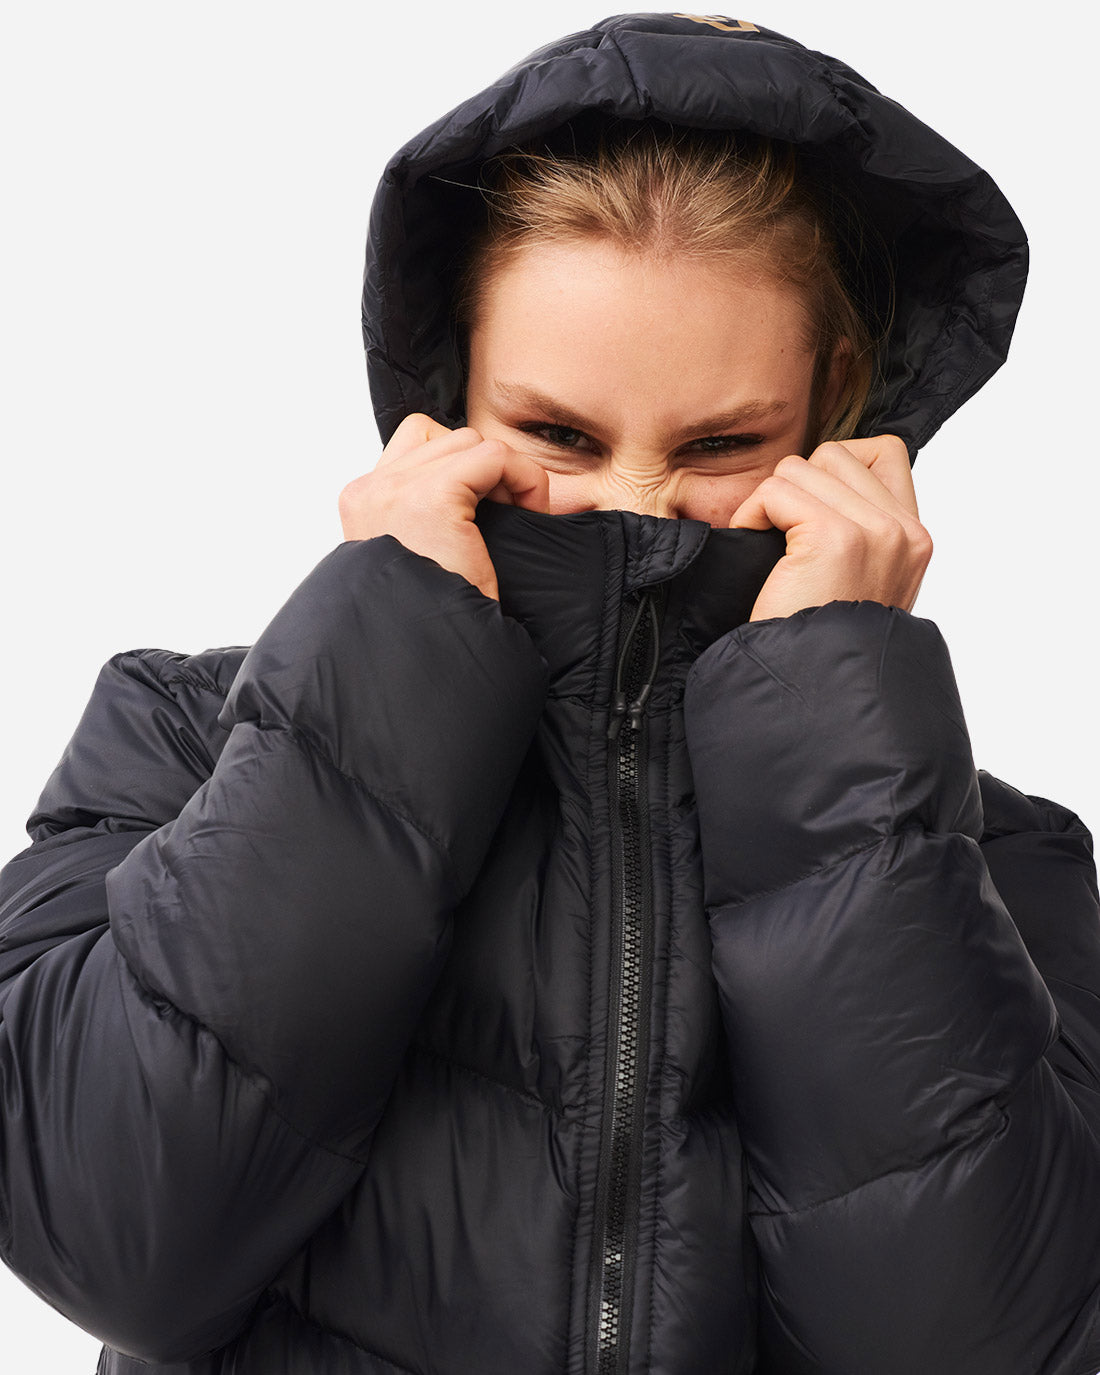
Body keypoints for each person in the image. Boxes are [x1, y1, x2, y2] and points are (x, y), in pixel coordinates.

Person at [2, 12, 1099, 1375]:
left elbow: (982, 1344)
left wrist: (835, 724)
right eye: (557, 433)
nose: (635, 505)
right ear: (446, 395)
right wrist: (389, 651)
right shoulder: (179, 741)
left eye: (722, 442)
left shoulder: (991, 861)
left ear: (836, 417)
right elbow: (113, 1244)